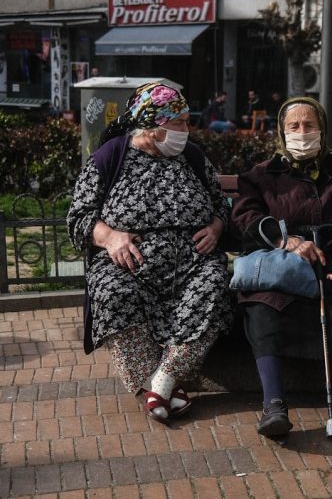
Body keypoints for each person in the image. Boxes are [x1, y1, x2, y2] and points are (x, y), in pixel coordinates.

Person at [67, 82, 234, 424]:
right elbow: (78, 217)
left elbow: (222, 205)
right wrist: (111, 237)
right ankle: (153, 385)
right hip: (129, 266)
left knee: (216, 283)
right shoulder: (110, 157)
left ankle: (163, 382)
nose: (187, 130)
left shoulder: (193, 157)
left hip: (193, 265)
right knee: (110, 291)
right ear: (154, 125)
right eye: (180, 122)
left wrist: (216, 227)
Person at [230, 96, 332, 438]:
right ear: (281, 131)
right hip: (285, 268)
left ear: (322, 128)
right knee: (261, 307)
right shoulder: (261, 175)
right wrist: (286, 241)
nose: (302, 132)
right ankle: (273, 405)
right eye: (294, 126)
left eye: (310, 125)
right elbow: (246, 216)